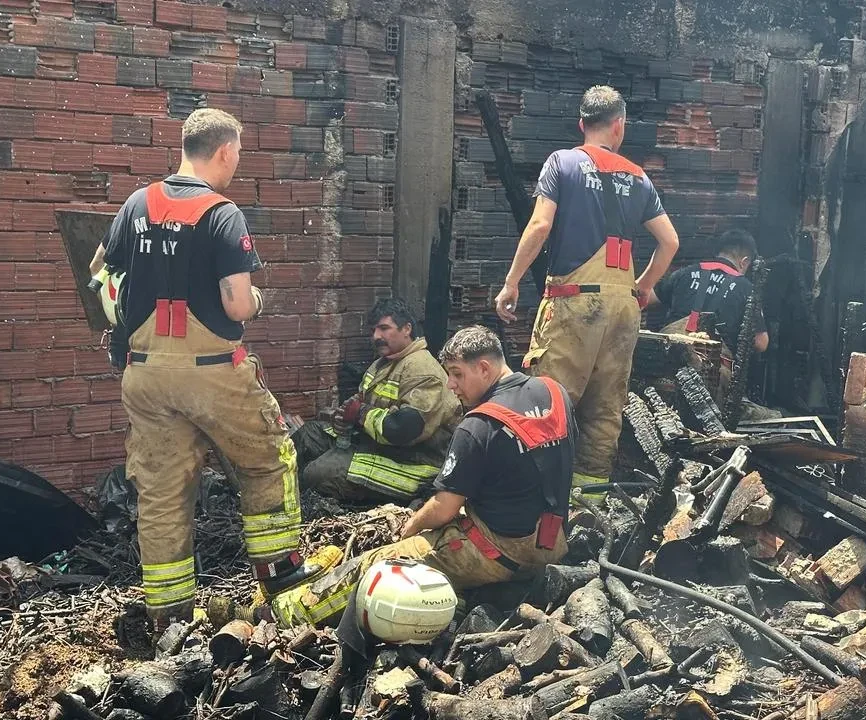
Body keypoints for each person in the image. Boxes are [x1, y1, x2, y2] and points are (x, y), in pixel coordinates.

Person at [88, 108, 317, 630]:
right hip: (212, 370)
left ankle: (168, 616)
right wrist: (257, 299)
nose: (238, 163)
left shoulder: (136, 203)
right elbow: (236, 304)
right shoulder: (222, 213)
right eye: (238, 153)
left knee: (163, 490)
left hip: (144, 376)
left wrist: (123, 321)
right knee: (267, 458)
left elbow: (99, 270)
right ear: (222, 151)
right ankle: (282, 580)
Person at [271, 326, 575, 627]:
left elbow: (444, 509)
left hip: (498, 552)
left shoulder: (478, 425)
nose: (451, 385)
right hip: (552, 542)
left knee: (375, 566)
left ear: (484, 368)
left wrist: (411, 528)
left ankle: (284, 613)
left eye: (457, 374)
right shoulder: (554, 392)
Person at [494, 85, 680, 499]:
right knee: (605, 408)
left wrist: (511, 282)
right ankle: (587, 508)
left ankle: (534, 500)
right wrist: (643, 288)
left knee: (548, 401)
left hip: (575, 301)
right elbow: (670, 243)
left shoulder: (563, 163)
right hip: (623, 307)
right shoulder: (639, 177)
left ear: (582, 124)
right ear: (620, 126)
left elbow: (540, 226)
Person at [290, 298, 460, 503]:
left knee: (317, 474)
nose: (376, 336)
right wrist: (343, 416)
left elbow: (403, 430)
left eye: (384, 328)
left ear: (407, 329)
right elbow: (361, 399)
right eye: (373, 330)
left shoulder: (422, 370)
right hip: (378, 445)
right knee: (307, 435)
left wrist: (361, 413)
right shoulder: (383, 364)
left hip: (413, 461)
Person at [648, 229, 770, 399]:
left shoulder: (684, 273)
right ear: (744, 261)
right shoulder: (746, 288)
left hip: (665, 366)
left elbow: (645, 299)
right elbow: (761, 343)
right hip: (712, 377)